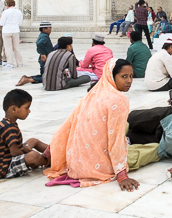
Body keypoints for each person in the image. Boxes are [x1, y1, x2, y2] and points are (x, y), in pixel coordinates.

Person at [45, 59, 139, 190]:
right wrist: (121, 173)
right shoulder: (119, 100)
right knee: (151, 150)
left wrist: (52, 150)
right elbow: (115, 139)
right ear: (111, 76)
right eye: (124, 76)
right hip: (98, 167)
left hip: (75, 163)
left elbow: (69, 123)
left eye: (131, 76)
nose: (129, 81)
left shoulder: (94, 92)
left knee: (126, 127)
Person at [0, 89, 48, 179]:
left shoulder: (8, 123)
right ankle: (48, 160)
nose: (29, 111)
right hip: (4, 168)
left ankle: (53, 152)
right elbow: (15, 152)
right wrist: (34, 155)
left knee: (33, 141)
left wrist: (29, 151)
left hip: (9, 158)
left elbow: (19, 145)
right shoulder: (8, 127)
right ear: (14, 109)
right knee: (34, 157)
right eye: (26, 108)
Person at [15, 22, 53, 86]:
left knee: (44, 74)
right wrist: (43, 54)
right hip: (46, 59)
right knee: (48, 77)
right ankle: (28, 80)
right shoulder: (45, 36)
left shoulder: (42, 35)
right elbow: (39, 44)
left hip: (44, 59)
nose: (50, 30)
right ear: (44, 29)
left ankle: (28, 78)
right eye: (49, 28)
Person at [0, 0, 23, 69]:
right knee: (16, 47)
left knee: (8, 47)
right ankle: (20, 63)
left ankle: (10, 63)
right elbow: (20, 23)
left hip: (6, 31)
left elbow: (1, 23)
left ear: (7, 4)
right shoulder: (19, 12)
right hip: (15, 30)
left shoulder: (5, 12)